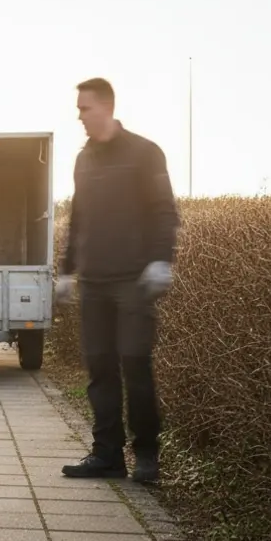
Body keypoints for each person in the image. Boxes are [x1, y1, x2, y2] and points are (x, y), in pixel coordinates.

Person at [56, 77, 180, 483]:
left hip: (133, 282)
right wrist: (67, 270)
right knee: (100, 371)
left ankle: (147, 456)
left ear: (106, 107)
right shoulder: (84, 160)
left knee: (135, 366)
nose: (79, 116)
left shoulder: (144, 154)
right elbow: (79, 220)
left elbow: (164, 210)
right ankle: (107, 456)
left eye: (84, 108)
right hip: (94, 283)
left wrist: (161, 260)